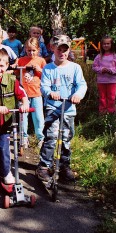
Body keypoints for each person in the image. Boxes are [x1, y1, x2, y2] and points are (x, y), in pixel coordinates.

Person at [36, 35, 87, 183]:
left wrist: (78, 95)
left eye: (65, 50)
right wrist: (50, 93)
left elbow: (81, 85)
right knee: (51, 138)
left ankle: (65, 166)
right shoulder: (48, 68)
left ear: (69, 50)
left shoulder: (75, 68)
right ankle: (44, 166)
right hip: (53, 108)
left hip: (69, 109)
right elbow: (44, 86)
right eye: (59, 49)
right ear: (53, 49)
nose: (62, 53)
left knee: (66, 139)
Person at [0, 49, 29, 190]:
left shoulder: (12, 80)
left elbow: (23, 94)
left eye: (1, 66)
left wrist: (25, 104)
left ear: (7, 65)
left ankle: (6, 171)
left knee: (3, 148)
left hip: (6, 124)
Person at [16, 37, 46, 147]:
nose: (31, 52)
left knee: (38, 117)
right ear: (25, 50)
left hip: (36, 93)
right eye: (29, 50)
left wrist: (39, 69)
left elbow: (46, 76)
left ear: (38, 49)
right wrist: (15, 66)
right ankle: (24, 137)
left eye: (33, 50)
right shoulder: (21, 60)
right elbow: (15, 72)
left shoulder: (41, 61)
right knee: (23, 116)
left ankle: (41, 138)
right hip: (23, 94)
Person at [92, 35, 116, 114]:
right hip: (101, 81)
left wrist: (111, 71)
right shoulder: (99, 57)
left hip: (112, 81)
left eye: (108, 43)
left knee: (111, 97)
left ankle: (111, 112)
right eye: (104, 44)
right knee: (102, 97)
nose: (106, 45)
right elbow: (94, 67)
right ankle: (102, 112)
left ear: (111, 44)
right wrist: (101, 70)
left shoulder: (115, 56)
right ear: (101, 45)